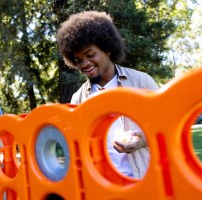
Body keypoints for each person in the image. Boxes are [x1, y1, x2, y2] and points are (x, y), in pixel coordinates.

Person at [56, 11, 159, 179]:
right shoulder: (78, 98)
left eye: (90, 55)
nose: (85, 64)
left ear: (107, 49)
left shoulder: (141, 82)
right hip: (102, 184)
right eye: (79, 60)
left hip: (142, 180)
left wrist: (142, 141)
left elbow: (167, 126)